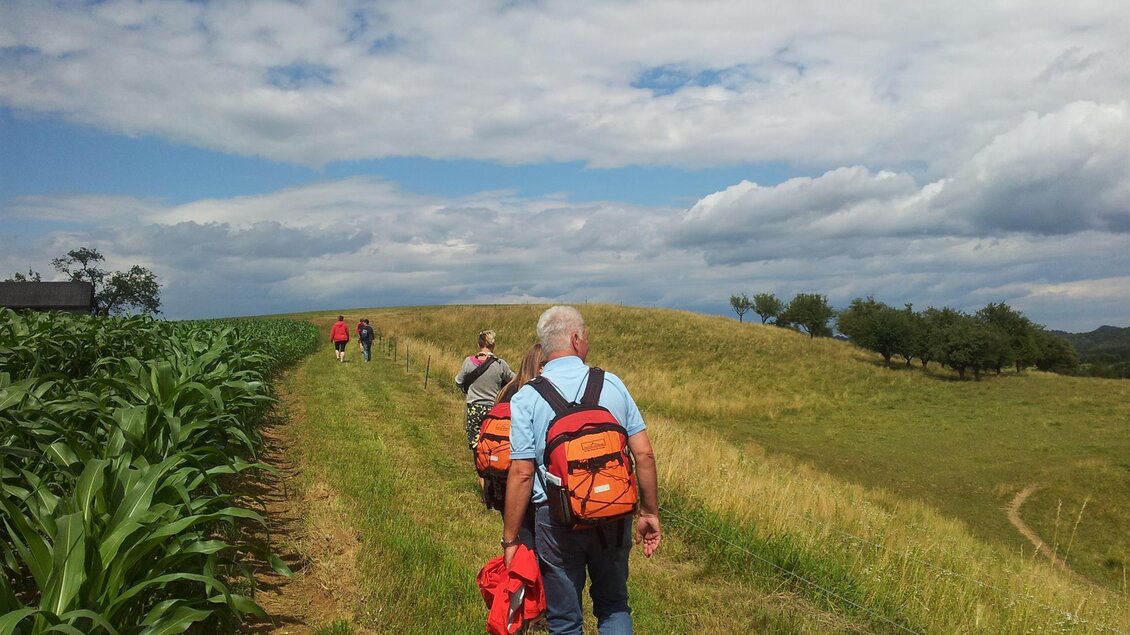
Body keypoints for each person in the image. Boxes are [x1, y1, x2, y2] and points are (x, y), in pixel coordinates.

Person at [502, 306, 661, 635]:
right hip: (614, 513)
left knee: (564, 619)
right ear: (576, 339)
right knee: (614, 604)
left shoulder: (527, 397)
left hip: (555, 518)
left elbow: (520, 473)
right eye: (585, 335)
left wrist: (511, 539)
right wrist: (648, 511)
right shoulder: (612, 384)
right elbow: (644, 454)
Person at [488, 342, 545, 550]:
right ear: (539, 366)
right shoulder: (530, 396)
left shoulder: (505, 391)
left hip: (500, 480)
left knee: (520, 540)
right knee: (530, 545)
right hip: (523, 482)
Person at [455, 330, 514, 451]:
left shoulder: (468, 362)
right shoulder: (500, 364)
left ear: (478, 345)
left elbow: (458, 382)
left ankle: (479, 463)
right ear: (493, 345)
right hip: (492, 410)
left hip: (474, 409)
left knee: (475, 443)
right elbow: (514, 379)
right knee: (490, 441)